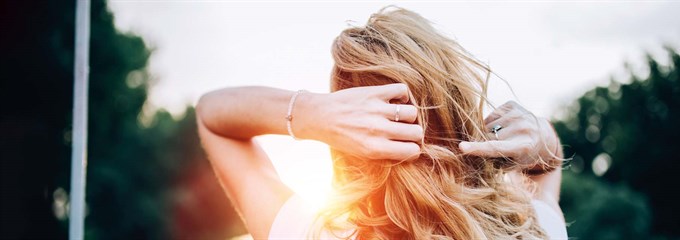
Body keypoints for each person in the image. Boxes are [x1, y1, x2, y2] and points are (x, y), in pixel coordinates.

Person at [196, 7, 567, 240]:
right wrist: (541, 135)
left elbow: (213, 115)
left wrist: (310, 111)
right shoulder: (529, 227)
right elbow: (546, 170)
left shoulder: (309, 233)